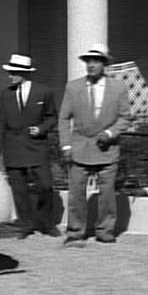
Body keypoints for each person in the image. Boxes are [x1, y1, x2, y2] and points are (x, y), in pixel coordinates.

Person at [58, 43, 132, 247]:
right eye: (88, 61)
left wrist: (109, 133)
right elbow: (63, 118)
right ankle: (75, 231)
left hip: (107, 150)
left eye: (96, 60)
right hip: (79, 148)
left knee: (107, 194)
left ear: (104, 64)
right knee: (76, 193)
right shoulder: (73, 87)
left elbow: (125, 118)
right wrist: (65, 146)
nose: (91, 65)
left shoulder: (118, 88)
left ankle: (105, 230)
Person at [0, 53, 59, 239]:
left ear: (23, 73)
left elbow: (51, 117)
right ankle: (25, 224)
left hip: (37, 146)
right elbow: (0, 122)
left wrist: (40, 129)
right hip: (13, 146)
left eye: (13, 72)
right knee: (19, 188)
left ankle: (46, 222)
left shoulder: (44, 92)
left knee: (45, 186)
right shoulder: (5, 95)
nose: (10, 76)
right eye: (9, 72)